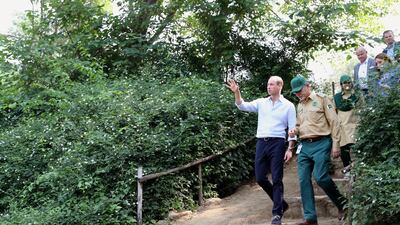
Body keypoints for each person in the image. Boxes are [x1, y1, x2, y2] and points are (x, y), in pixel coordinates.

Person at [226, 76, 296, 225]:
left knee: (277, 178)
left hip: (278, 143)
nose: (268, 86)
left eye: (271, 84)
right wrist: (236, 92)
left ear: (279, 86)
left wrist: (290, 149)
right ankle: (282, 203)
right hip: (261, 143)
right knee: (260, 178)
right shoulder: (261, 103)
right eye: (268, 84)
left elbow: (292, 129)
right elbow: (242, 105)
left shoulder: (289, 106)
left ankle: (277, 214)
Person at [288, 75, 346, 225]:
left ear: (307, 85)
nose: (298, 94)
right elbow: (300, 125)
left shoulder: (322, 99)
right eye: (295, 92)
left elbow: (334, 122)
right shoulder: (299, 105)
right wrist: (295, 130)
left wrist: (336, 144)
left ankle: (342, 205)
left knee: (320, 177)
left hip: (322, 143)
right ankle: (310, 218)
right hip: (305, 146)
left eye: (299, 90)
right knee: (303, 180)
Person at [333, 75, 362, 177]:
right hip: (341, 127)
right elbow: (333, 112)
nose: (347, 84)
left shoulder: (357, 96)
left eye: (349, 82)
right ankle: (348, 170)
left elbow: (361, 109)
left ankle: (357, 170)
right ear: (341, 85)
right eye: (344, 82)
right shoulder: (336, 98)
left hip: (353, 125)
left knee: (356, 148)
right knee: (344, 149)